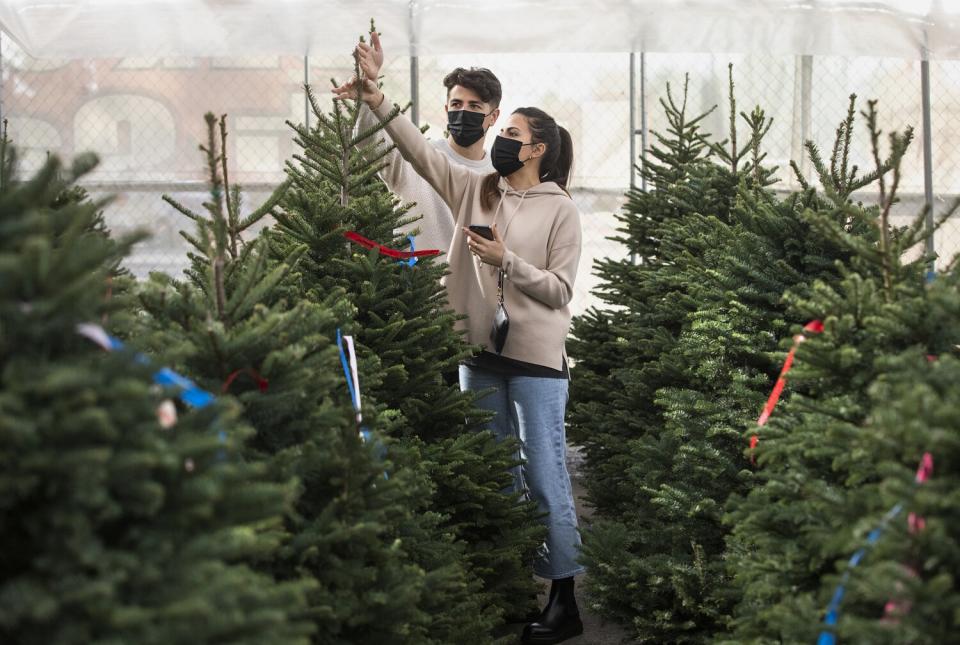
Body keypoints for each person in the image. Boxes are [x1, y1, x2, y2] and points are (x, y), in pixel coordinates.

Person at [335, 34, 586, 645]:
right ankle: (508, 584)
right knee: (494, 472)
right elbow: (420, 153)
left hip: (533, 362)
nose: (501, 143)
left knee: (546, 474)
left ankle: (564, 599)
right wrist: (374, 94)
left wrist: (506, 262)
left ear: (537, 148)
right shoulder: (478, 190)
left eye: (513, 135)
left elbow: (558, 292)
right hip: (478, 357)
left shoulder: (561, 210)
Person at [355, 31, 501, 254]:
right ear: (446, 109)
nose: (463, 112)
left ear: (494, 116)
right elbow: (369, 142)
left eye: (474, 106)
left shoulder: (499, 174)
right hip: (418, 286)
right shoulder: (416, 158)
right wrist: (369, 92)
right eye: (456, 104)